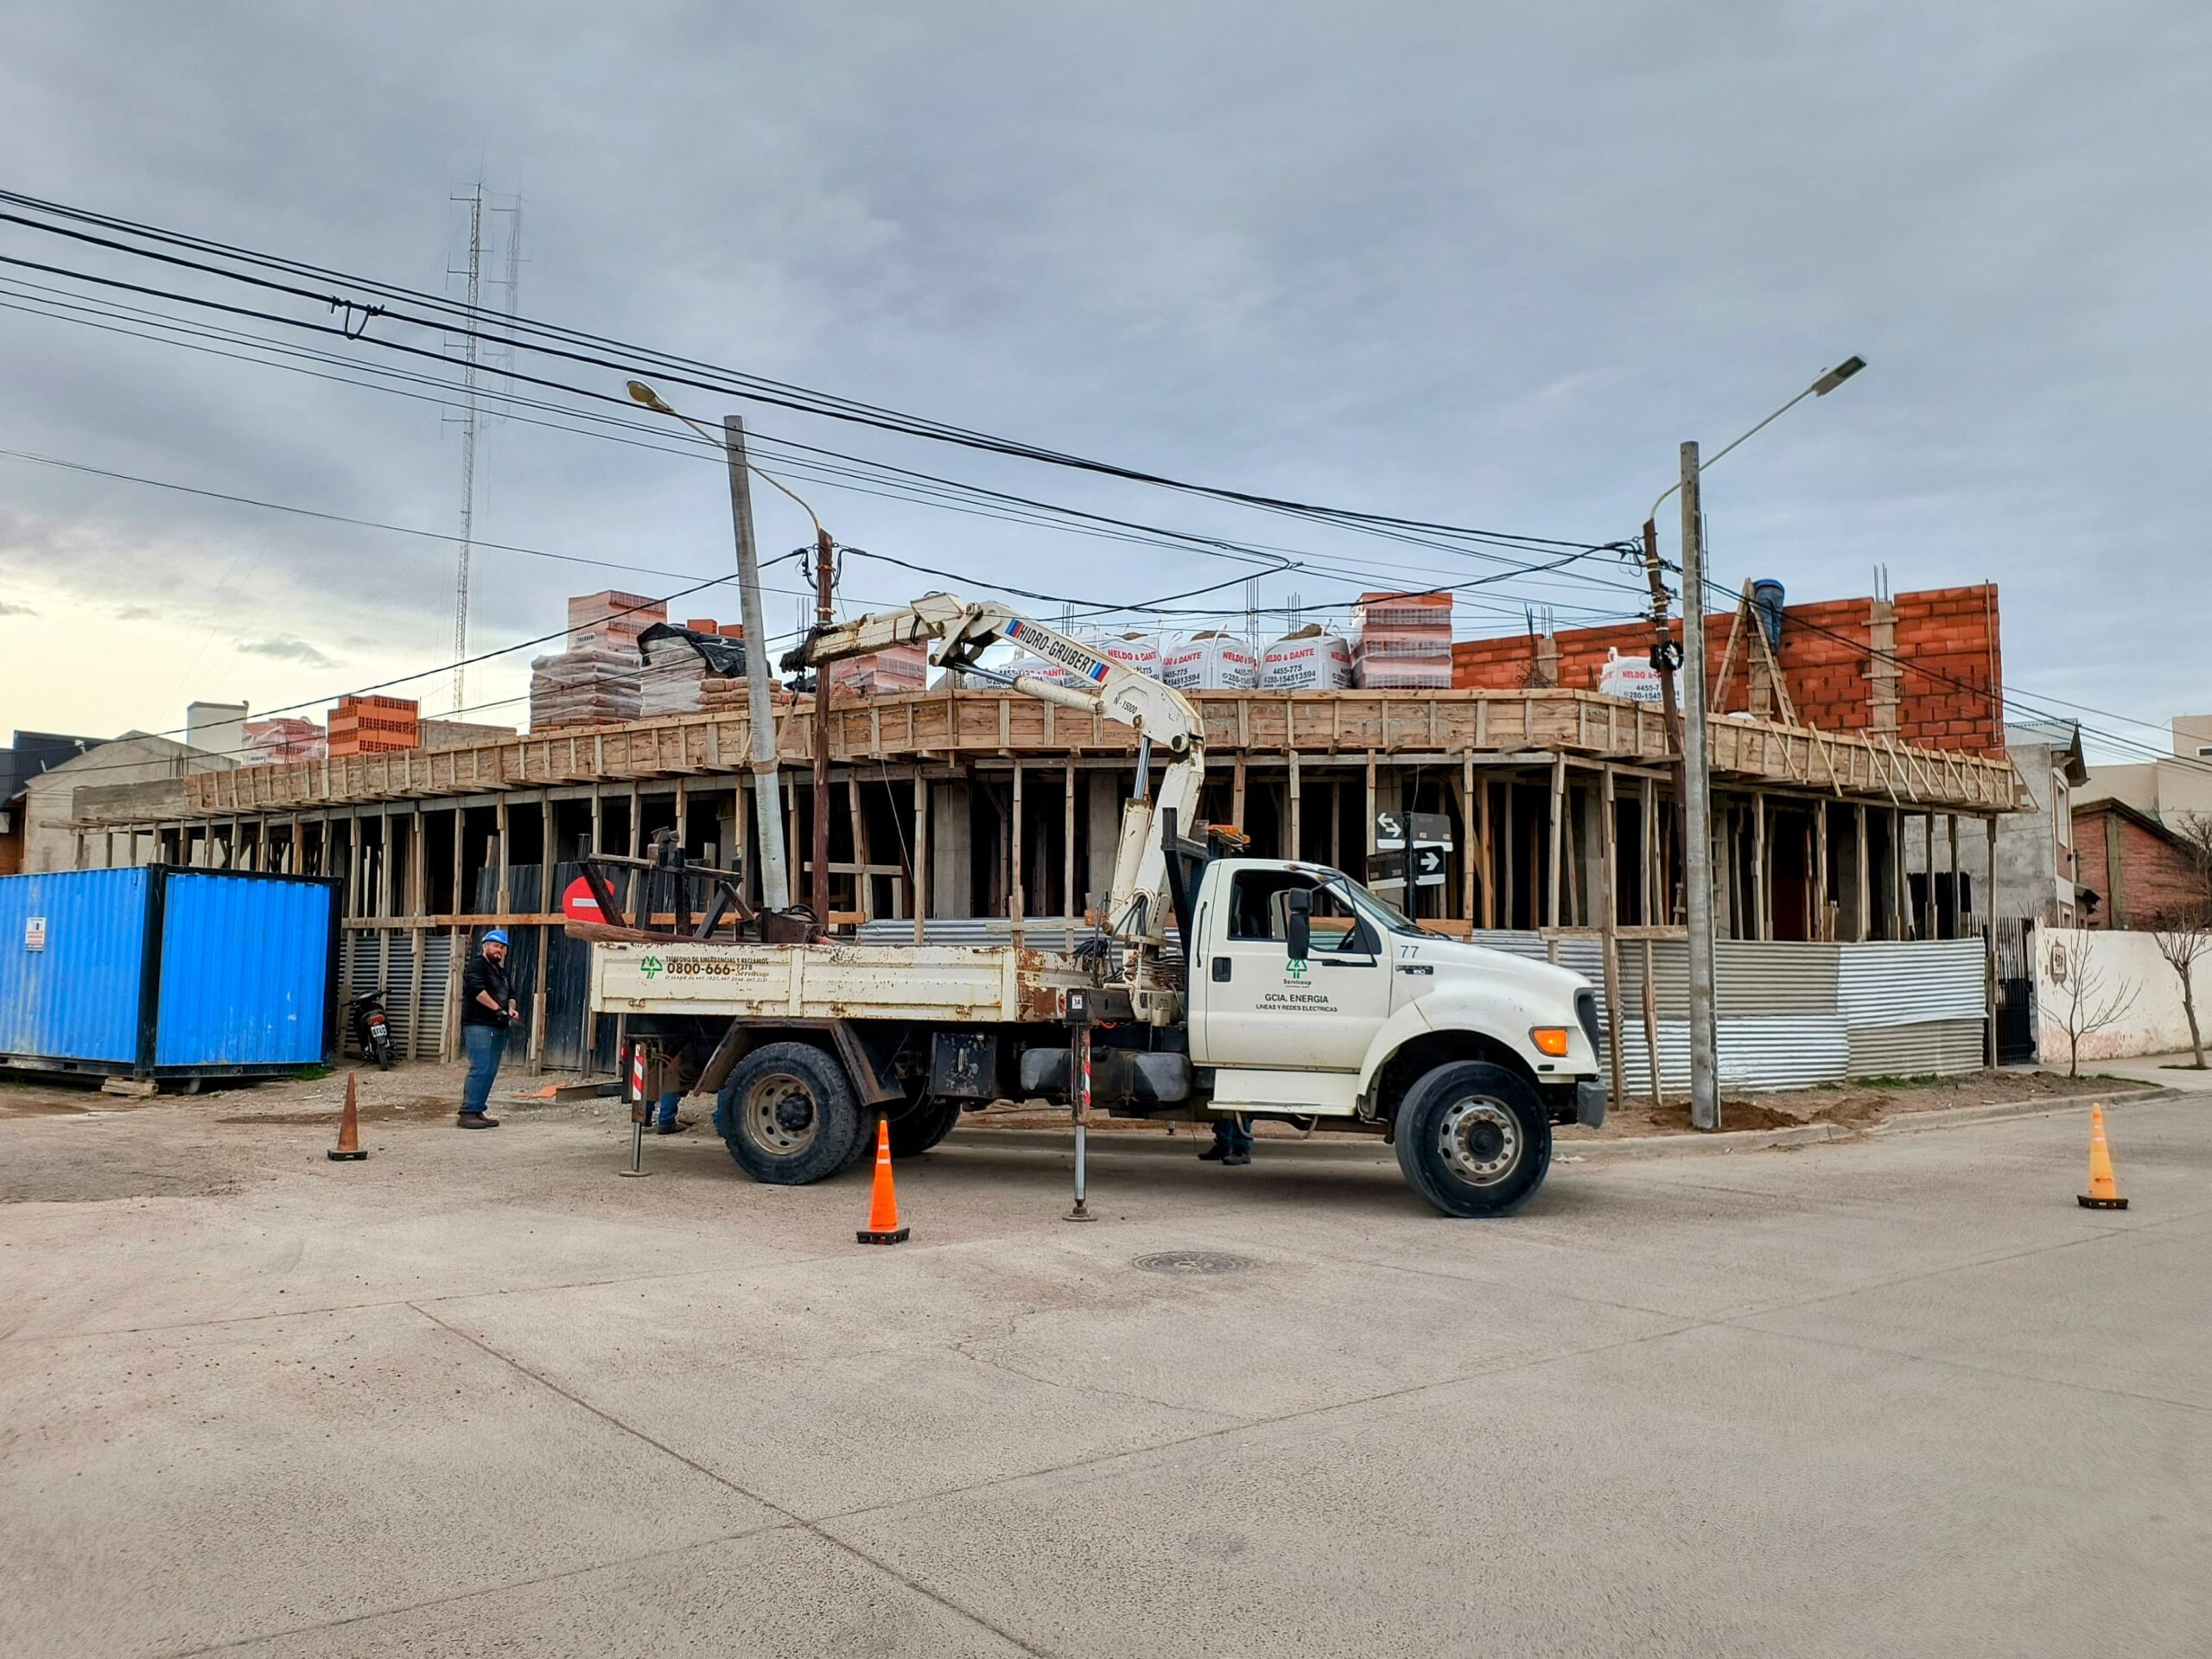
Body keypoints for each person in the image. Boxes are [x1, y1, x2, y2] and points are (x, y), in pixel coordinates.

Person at [458, 928, 519, 1128]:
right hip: (478, 1025)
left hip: (497, 1025)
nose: (498, 950)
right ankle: (467, 1113)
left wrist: (510, 1009)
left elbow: (511, 994)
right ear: (485, 946)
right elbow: (477, 990)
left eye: (502, 947)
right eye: (495, 946)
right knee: (481, 1067)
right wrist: (497, 1009)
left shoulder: (502, 973)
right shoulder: (477, 966)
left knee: (490, 1070)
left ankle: (478, 1109)